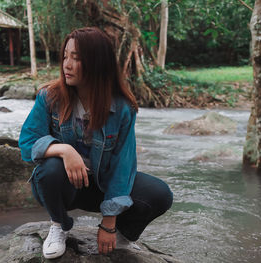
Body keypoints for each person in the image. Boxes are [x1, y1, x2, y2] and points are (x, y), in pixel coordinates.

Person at [18, 27, 173, 259]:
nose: (66, 65)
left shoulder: (122, 108)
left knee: (160, 194)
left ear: (98, 63)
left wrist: (108, 224)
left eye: (76, 58)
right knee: (49, 168)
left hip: (101, 186)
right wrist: (64, 150)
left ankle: (122, 236)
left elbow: (123, 166)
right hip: (63, 185)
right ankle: (59, 224)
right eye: (65, 56)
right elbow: (27, 143)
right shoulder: (49, 97)